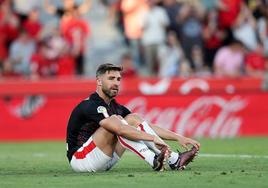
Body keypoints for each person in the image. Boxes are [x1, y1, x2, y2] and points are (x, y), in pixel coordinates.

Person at [66, 63, 200, 172]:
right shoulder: (90, 104)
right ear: (99, 81)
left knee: (132, 119)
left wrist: (178, 137)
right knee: (119, 122)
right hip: (81, 160)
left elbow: (145, 126)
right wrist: (153, 139)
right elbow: (120, 128)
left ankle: (174, 160)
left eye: (118, 79)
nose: (116, 83)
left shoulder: (115, 106)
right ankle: (154, 160)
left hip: (105, 158)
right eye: (111, 78)